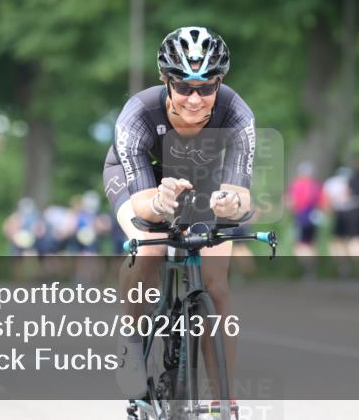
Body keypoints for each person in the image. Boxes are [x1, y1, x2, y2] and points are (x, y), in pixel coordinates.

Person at [104, 26, 253, 413]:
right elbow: (142, 205)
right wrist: (161, 201)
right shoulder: (138, 113)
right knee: (150, 247)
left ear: (220, 84)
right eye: (184, 86)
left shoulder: (237, 113)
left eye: (206, 87)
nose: (194, 98)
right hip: (141, 180)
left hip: (201, 181)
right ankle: (132, 342)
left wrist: (227, 205)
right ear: (165, 81)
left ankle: (225, 395)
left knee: (217, 285)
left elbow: (241, 194)